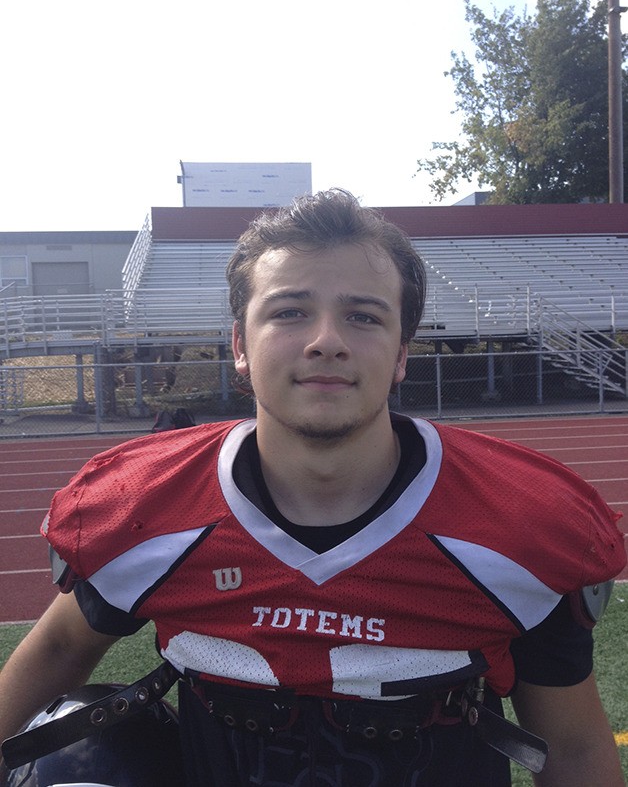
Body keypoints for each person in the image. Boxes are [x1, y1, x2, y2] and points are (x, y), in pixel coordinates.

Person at [0, 188, 626, 787]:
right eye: (290, 311)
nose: (326, 341)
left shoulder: (515, 525)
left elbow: (570, 745)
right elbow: (58, 648)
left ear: (402, 353)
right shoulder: (147, 507)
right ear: (240, 346)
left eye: (363, 316)